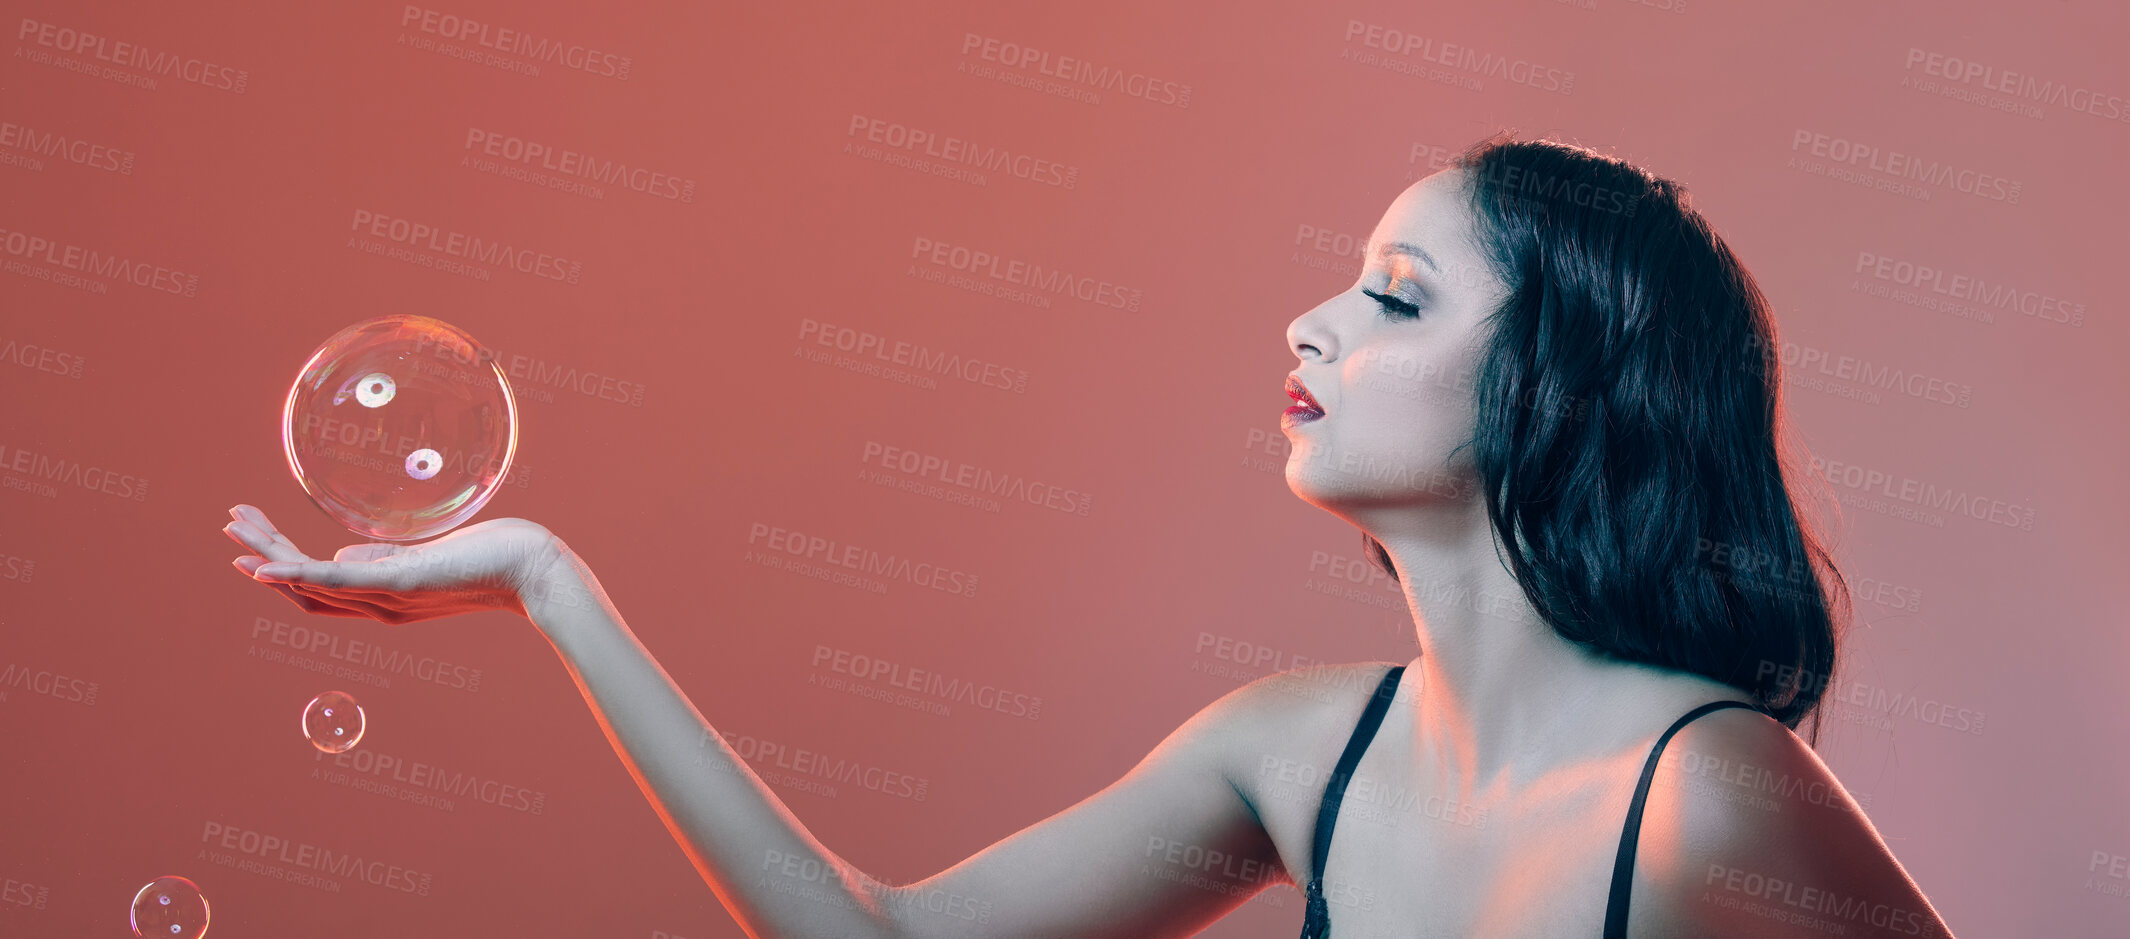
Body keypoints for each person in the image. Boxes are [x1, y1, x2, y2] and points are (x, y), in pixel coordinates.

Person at [221, 132, 1957, 938]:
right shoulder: (1300, 753)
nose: (1309, 325)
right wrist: (548, 583)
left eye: (1394, 296)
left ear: (1555, 391)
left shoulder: (1708, 804)